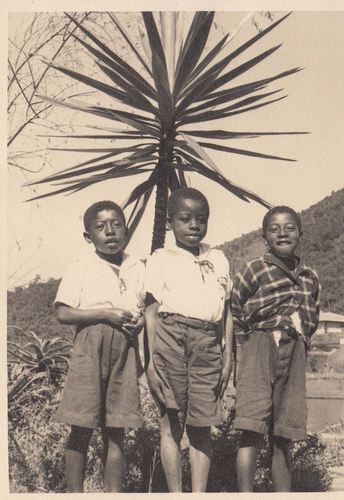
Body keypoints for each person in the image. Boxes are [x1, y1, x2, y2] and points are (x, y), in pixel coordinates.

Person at [145, 187, 234, 492]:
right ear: (169, 223)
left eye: (201, 219)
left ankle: (199, 494)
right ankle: (175, 494)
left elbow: (227, 312)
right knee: (171, 422)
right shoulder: (160, 259)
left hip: (208, 342)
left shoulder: (218, 258)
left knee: (201, 426)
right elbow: (152, 313)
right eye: (185, 219)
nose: (194, 225)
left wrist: (227, 359)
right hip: (170, 337)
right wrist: (150, 364)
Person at [54, 200, 145, 492]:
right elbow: (63, 313)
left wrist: (139, 324)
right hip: (89, 349)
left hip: (125, 349)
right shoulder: (82, 266)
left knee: (116, 430)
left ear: (126, 229)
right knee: (81, 427)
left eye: (117, 224)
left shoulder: (136, 266)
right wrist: (105, 313)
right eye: (100, 226)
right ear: (88, 236)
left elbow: (145, 311)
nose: (110, 232)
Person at [231, 206, 320, 492]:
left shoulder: (310, 275)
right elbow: (234, 306)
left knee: (284, 433)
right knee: (251, 428)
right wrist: (245, 345)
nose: (282, 233)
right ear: (264, 237)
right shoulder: (254, 268)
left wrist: (302, 339)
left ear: (301, 235)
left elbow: (312, 316)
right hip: (258, 345)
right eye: (274, 228)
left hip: (294, 350)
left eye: (290, 227)